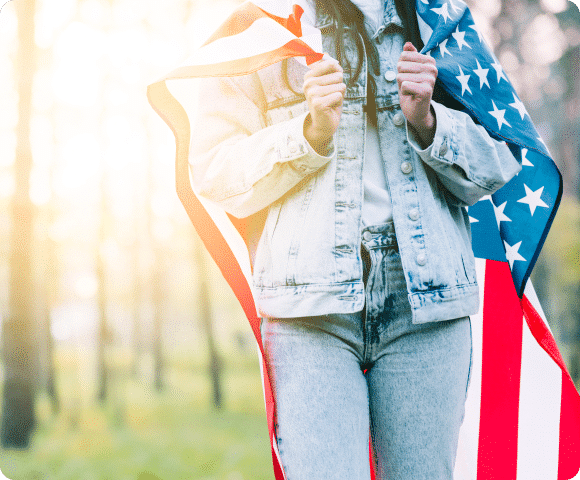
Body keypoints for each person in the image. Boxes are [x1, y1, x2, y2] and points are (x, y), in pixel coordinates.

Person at [189, 0, 521, 478]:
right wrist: (309, 132)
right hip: (309, 308)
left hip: (425, 303)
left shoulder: (437, 20)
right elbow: (216, 172)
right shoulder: (258, 22)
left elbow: (499, 163)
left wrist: (429, 121)